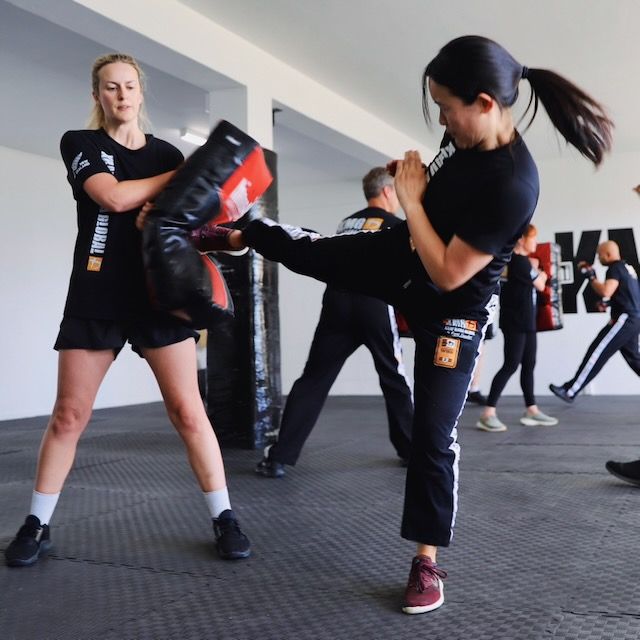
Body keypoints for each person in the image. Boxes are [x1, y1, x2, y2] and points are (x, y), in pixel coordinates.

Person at [179, 36, 612, 615]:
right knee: (319, 249)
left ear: (484, 102)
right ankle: (238, 235)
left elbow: (452, 273)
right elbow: (430, 211)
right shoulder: (460, 139)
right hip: (405, 253)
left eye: (445, 107)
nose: (440, 119)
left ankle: (427, 563)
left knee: (434, 437)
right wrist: (415, 191)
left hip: (453, 310)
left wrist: (409, 200)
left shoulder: (513, 183)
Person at [4, 53, 250, 568]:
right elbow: (112, 198)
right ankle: (37, 523)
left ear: (141, 93)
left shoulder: (169, 155)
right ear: (97, 96)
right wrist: (183, 178)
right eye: (110, 87)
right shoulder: (82, 144)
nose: (121, 95)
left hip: (159, 295)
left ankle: (224, 517)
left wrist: (232, 238)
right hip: (97, 294)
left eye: (129, 86)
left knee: (188, 411)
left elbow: (189, 225)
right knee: (70, 415)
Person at [255, 168, 413, 478]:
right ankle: (410, 451)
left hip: (337, 302)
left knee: (313, 378)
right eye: (395, 192)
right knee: (394, 377)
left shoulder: (346, 223)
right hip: (373, 303)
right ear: (386, 192)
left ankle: (279, 458)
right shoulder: (394, 225)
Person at [477, 224, 558, 431]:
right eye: (532, 238)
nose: (535, 243)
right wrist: (541, 272)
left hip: (527, 321)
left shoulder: (519, 262)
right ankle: (488, 413)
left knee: (529, 363)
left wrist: (537, 271)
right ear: (521, 239)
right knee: (511, 364)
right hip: (516, 322)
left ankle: (531, 409)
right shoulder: (518, 261)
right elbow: (540, 284)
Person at [549, 240, 640, 403]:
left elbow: (606, 290)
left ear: (608, 254)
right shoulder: (628, 268)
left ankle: (570, 390)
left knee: (596, 353)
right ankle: (571, 389)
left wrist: (591, 276)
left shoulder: (615, 267)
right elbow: (631, 295)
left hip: (624, 319)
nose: (598, 259)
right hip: (633, 319)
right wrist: (609, 303)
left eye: (600, 255)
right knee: (634, 358)